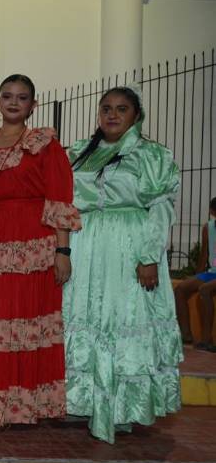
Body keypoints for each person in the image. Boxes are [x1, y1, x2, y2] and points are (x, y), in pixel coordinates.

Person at [64, 86, 183, 443]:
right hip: (86, 246)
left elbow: (161, 208)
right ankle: (85, 402)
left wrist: (149, 256)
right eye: (106, 108)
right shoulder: (79, 153)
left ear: (136, 115)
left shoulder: (151, 155)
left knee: (122, 320)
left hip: (129, 246)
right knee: (86, 318)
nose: (112, 115)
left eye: (122, 109)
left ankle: (121, 409)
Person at [0, 74, 81, 432]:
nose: (14, 103)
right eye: (7, 96)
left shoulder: (45, 144)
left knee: (30, 319)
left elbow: (59, 195)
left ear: (33, 105)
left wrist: (62, 250)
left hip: (34, 240)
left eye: (22, 98)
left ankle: (28, 406)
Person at [173, 197, 216, 352]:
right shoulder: (208, 228)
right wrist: (197, 276)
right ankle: (186, 335)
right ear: (212, 212)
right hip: (212, 273)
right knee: (180, 289)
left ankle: (207, 340)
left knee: (204, 290)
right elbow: (204, 255)